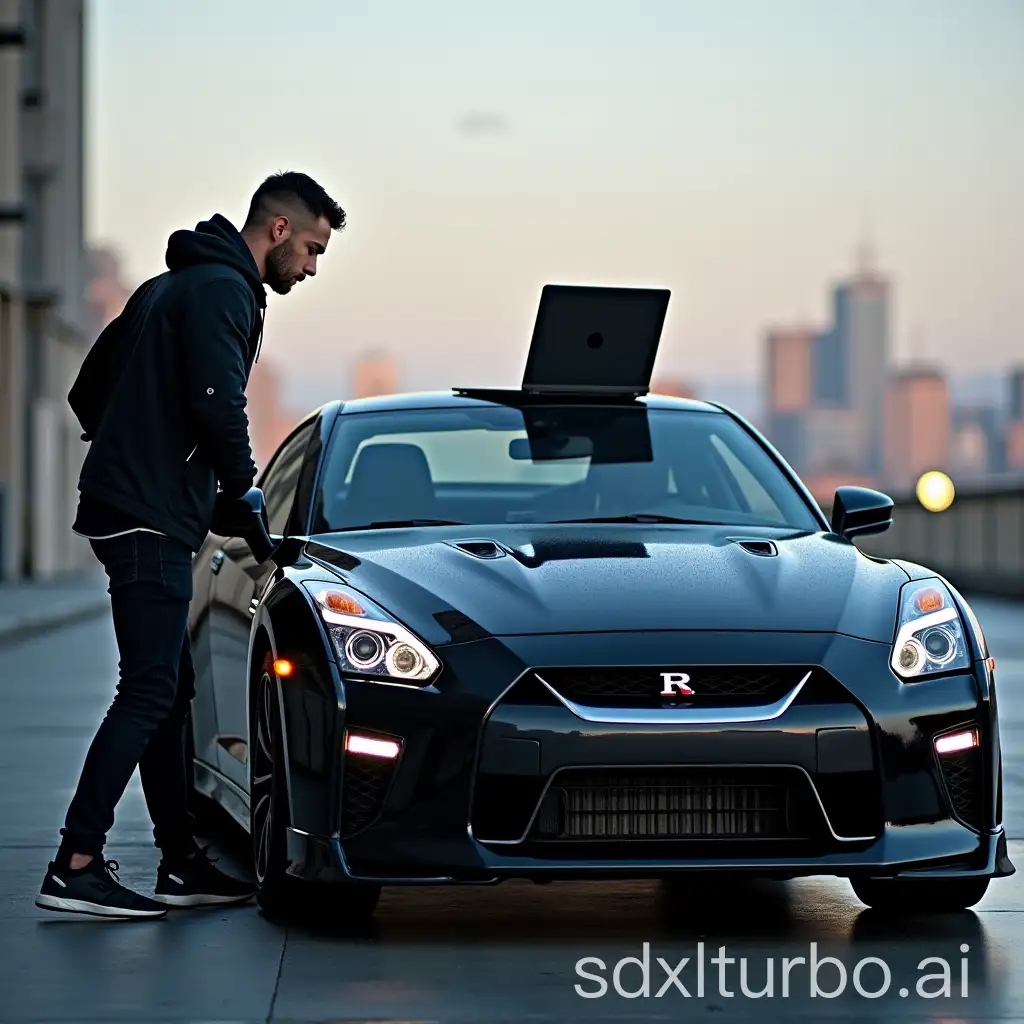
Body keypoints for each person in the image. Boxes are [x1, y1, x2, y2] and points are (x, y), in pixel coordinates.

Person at [35, 171, 346, 919]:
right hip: (148, 517)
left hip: (138, 505)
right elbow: (217, 401)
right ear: (277, 229)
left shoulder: (165, 289)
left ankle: (180, 862)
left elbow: (89, 389)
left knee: (170, 693)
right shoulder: (224, 292)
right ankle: (76, 862)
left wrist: (142, 447)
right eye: (310, 248)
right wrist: (241, 491)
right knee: (148, 690)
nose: (309, 267)